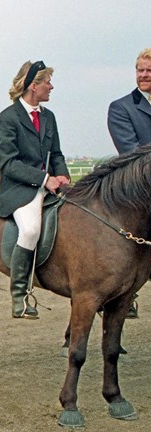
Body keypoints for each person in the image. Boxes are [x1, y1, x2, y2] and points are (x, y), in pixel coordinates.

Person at [0, 60, 70, 319]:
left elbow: (56, 152)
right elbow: (9, 163)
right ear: (33, 86)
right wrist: (44, 178)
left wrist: (62, 175)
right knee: (31, 229)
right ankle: (19, 294)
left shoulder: (49, 117)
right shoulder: (6, 119)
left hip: (49, 184)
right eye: (47, 82)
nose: (51, 86)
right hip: (20, 189)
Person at [107, 48, 151, 320]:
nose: (143, 75)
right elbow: (132, 153)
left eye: (149, 71)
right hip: (137, 187)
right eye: (140, 70)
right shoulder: (121, 108)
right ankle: (126, 291)